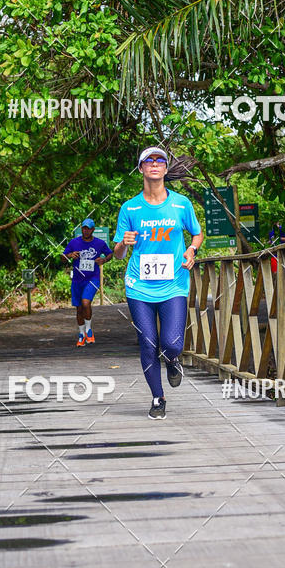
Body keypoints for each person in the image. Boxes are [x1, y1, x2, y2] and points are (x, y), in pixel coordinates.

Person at [113, 147, 203, 419]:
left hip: (174, 283)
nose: (154, 164)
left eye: (159, 160)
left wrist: (191, 251)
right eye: (148, 161)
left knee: (172, 343)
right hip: (139, 286)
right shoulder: (130, 208)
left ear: (165, 169)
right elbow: (117, 254)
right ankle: (157, 397)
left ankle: (173, 360)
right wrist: (122, 244)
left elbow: (197, 235)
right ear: (141, 169)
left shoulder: (181, 204)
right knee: (148, 342)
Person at [62, 218, 113, 346]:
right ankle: (81, 334)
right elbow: (62, 258)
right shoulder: (74, 242)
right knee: (79, 309)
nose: (86, 230)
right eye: (84, 228)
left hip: (93, 278)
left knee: (86, 302)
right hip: (78, 280)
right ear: (81, 229)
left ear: (93, 230)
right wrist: (69, 255)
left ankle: (89, 330)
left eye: (88, 228)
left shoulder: (99, 243)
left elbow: (110, 254)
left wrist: (104, 260)